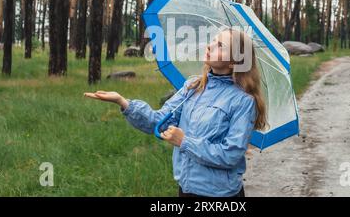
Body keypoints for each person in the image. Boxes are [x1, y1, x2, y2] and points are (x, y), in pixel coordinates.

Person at [84, 28, 267, 197]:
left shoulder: (243, 101)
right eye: (213, 40)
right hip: (186, 188)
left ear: (236, 60)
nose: (210, 46)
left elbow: (230, 154)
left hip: (219, 194)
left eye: (220, 45)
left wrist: (184, 141)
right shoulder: (193, 86)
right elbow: (159, 121)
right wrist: (123, 102)